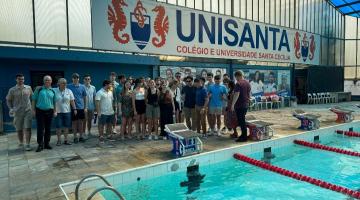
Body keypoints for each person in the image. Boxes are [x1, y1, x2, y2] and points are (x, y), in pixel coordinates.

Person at [6, 74, 33, 151]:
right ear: (16, 80)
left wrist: (33, 108)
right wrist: (11, 108)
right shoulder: (12, 90)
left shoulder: (28, 88)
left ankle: (28, 144)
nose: (21, 80)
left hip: (28, 111)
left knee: (28, 128)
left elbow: (32, 98)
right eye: (19, 79)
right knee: (19, 129)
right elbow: (8, 100)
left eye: (22, 79)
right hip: (17, 112)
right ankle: (21, 142)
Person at [32, 75, 57, 152]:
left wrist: (55, 111)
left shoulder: (53, 91)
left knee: (48, 129)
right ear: (43, 81)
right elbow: (34, 100)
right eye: (46, 80)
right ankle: (40, 144)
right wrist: (33, 110)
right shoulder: (38, 89)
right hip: (40, 111)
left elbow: (54, 102)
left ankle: (47, 143)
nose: (47, 81)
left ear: (51, 81)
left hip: (50, 111)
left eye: (49, 80)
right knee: (40, 129)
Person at [54, 78, 76, 146]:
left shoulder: (69, 91)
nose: (64, 84)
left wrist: (74, 109)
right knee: (58, 127)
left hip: (67, 111)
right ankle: (59, 140)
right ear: (59, 84)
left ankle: (66, 140)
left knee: (66, 126)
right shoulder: (54, 90)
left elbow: (72, 101)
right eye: (63, 83)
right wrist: (54, 111)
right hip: (58, 112)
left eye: (65, 83)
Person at [230, 71, 251, 142]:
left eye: (236, 77)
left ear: (237, 76)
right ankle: (243, 135)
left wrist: (232, 104)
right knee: (242, 120)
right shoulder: (247, 83)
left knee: (241, 121)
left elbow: (237, 94)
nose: (236, 79)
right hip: (245, 104)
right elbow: (249, 93)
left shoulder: (238, 84)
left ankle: (244, 137)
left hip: (240, 105)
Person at [67, 73, 87, 143]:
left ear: (79, 78)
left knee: (81, 123)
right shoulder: (68, 86)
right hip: (72, 108)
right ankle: (75, 137)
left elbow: (84, 97)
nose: (76, 79)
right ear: (72, 78)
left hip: (81, 107)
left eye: (77, 77)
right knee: (74, 123)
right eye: (74, 78)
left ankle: (81, 136)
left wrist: (85, 107)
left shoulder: (82, 87)